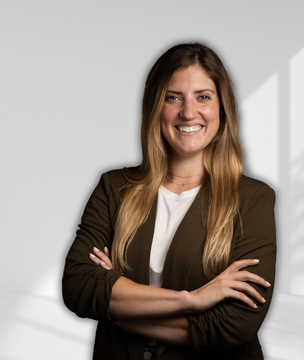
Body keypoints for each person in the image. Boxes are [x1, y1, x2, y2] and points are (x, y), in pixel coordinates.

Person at [62, 42, 276, 360]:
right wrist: (191, 300)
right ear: (155, 107)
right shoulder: (114, 188)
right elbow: (79, 287)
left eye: (203, 96)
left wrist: (118, 308)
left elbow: (234, 324)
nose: (188, 112)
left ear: (222, 108)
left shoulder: (251, 199)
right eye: (173, 97)